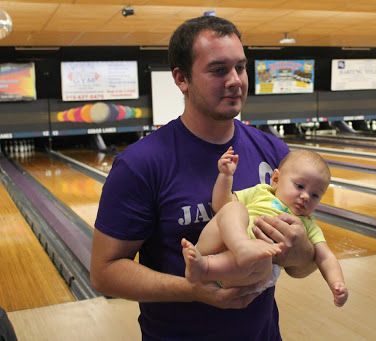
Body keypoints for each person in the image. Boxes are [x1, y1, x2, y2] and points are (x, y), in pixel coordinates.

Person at [90, 15, 317, 340]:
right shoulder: (140, 164)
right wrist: (192, 289)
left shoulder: (275, 151)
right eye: (218, 70)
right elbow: (104, 272)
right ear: (182, 79)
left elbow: (305, 264)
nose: (236, 79)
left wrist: (300, 253)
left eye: (240, 67)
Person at [182, 148, 349, 307]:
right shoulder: (261, 191)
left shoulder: (308, 225)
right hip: (212, 247)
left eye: (315, 195)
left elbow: (326, 257)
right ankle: (238, 247)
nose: (305, 196)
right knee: (233, 208)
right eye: (299, 186)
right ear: (275, 180)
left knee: (264, 255)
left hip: (244, 274)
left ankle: (206, 268)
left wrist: (337, 282)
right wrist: (225, 176)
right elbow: (221, 206)